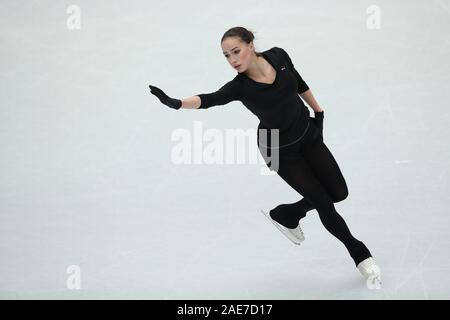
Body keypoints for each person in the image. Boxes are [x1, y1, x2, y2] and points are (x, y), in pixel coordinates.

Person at [149, 26, 381, 284]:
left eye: (236, 51)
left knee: (339, 193)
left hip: (307, 132)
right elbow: (210, 99)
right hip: (276, 149)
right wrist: (178, 103)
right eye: (226, 56)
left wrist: (319, 114)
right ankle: (360, 253)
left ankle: (288, 214)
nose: (233, 60)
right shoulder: (240, 87)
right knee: (323, 201)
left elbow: (300, 83)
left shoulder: (278, 56)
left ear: (251, 45)